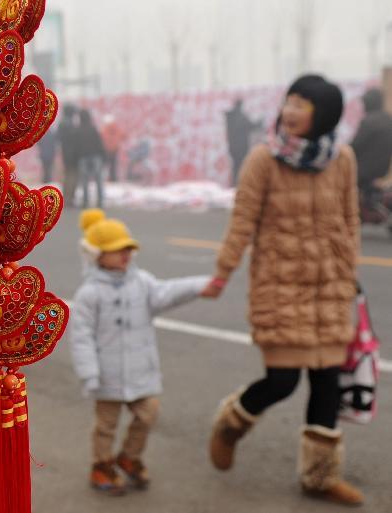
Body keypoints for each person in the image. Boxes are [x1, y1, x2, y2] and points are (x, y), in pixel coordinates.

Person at [203, 75, 363, 506]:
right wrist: (222, 273)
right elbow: (243, 223)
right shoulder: (264, 159)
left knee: (328, 384)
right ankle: (231, 424)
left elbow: (350, 219)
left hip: (330, 286)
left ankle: (320, 476)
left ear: (323, 114)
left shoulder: (342, 159)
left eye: (302, 104)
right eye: (289, 101)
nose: (290, 110)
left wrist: (348, 270)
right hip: (281, 285)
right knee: (283, 381)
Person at [70, 209, 210, 495]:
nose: (126, 254)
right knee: (105, 426)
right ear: (98, 255)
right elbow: (81, 336)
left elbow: (167, 292)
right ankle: (102, 465)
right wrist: (89, 373)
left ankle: (129, 457)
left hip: (141, 371)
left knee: (148, 414)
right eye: (117, 250)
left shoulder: (141, 282)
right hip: (106, 376)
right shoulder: (90, 294)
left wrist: (201, 285)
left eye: (128, 248)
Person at [350, 88, 392, 207]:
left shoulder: (369, 121)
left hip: (363, 171)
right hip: (382, 169)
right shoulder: (389, 119)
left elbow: (354, 146)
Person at [224, 99, 259, 186]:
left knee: (236, 166)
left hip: (233, 148)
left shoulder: (230, 117)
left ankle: (235, 184)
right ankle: (239, 184)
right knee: (241, 166)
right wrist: (260, 122)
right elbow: (252, 126)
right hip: (242, 147)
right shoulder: (241, 116)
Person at [76, 109, 105, 208]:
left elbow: (77, 146)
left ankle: (85, 202)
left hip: (83, 158)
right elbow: (100, 144)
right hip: (95, 157)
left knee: (85, 181)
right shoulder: (93, 129)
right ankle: (100, 202)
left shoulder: (78, 130)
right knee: (98, 180)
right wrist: (104, 156)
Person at [58, 105, 81, 207]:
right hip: (72, 154)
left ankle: (66, 198)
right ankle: (69, 198)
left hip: (65, 153)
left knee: (67, 175)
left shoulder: (62, 123)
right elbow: (75, 140)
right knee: (72, 176)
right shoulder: (69, 124)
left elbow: (59, 138)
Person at [100, 114, 126, 182]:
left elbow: (102, 137)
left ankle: (105, 178)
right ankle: (113, 178)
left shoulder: (105, 129)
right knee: (113, 164)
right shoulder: (116, 128)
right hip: (115, 148)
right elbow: (122, 135)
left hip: (107, 149)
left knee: (105, 164)